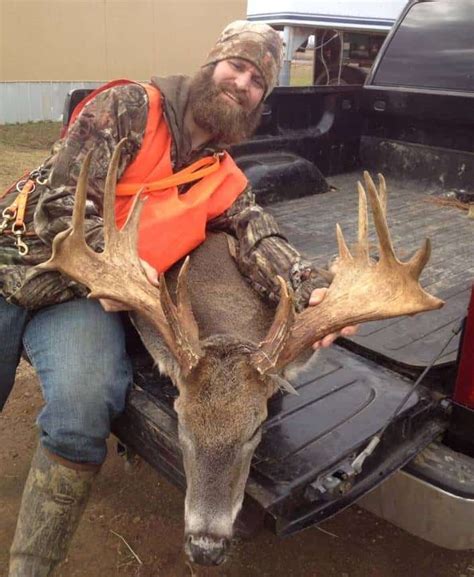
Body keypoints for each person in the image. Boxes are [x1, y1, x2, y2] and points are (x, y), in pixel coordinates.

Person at [0, 21, 356, 576]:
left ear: (262, 99)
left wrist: (312, 286)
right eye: (236, 67)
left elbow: (258, 233)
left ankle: (28, 568)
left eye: (258, 81)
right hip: (16, 267)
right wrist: (124, 261)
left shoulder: (220, 171)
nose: (242, 83)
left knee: (84, 407)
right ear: (211, 64)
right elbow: (53, 203)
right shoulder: (126, 108)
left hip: (85, 302)